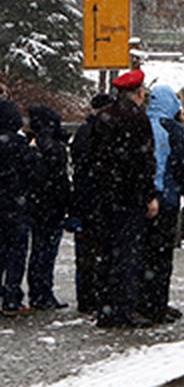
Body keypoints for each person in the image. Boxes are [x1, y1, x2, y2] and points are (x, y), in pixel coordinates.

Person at [90, 70, 158, 328]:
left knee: (107, 252)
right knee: (128, 253)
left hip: (107, 195)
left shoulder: (104, 117)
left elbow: (95, 158)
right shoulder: (137, 119)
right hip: (130, 195)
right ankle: (123, 309)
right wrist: (149, 195)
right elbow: (144, 161)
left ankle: (105, 307)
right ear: (139, 93)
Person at [140, 85, 184, 324]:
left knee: (143, 253)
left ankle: (142, 303)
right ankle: (157, 305)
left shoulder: (140, 125)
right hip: (168, 200)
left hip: (142, 200)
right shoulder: (174, 131)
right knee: (162, 257)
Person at [68, 92, 115, 314]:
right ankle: (100, 296)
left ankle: (85, 297)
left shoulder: (82, 133)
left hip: (83, 198)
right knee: (103, 250)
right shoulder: (104, 132)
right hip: (100, 199)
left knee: (85, 254)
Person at [24, 106, 71, 310]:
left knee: (38, 250)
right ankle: (43, 292)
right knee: (47, 250)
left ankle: (38, 291)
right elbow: (58, 180)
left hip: (36, 204)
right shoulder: (55, 147)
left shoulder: (32, 144)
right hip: (52, 205)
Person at [0, 99, 33, 315]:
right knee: (16, 253)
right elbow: (33, 173)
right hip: (15, 205)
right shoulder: (20, 147)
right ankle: (12, 297)